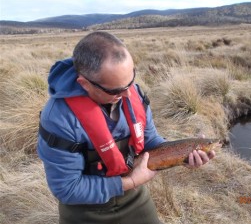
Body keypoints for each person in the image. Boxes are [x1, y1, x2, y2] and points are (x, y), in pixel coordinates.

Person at [37, 31, 215, 224]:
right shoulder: (59, 118)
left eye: (131, 81)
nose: (129, 95)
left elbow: (150, 142)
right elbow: (67, 189)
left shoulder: (132, 92)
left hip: (134, 198)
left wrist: (183, 157)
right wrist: (130, 181)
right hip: (84, 210)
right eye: (116, 91)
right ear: (84, 83)